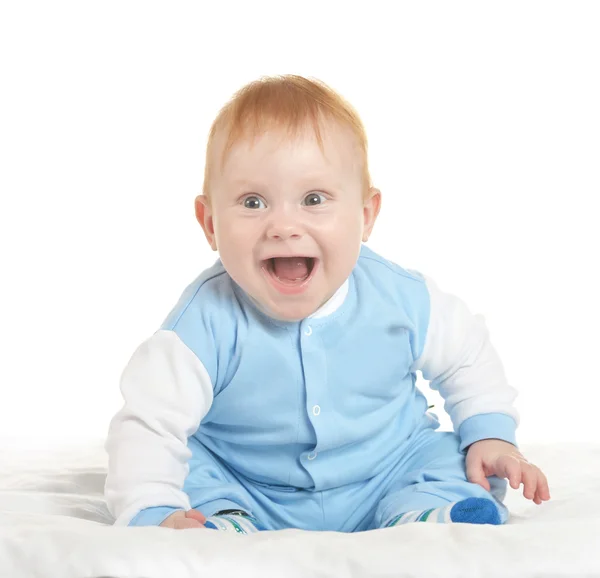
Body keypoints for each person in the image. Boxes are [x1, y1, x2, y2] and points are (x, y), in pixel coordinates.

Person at [104, 74, 550, 534]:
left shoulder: (401, 298)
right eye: (253, 202)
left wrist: (491, 434)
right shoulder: (202, 324)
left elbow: (467, 356)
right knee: (192, 468)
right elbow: (149, 424)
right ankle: (222, 523)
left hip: (387, 469)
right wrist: (152, 506)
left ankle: (426, 512)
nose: (283, 225)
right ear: (210, 222)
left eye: (313, 199)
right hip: (249, 485)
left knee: (449, 457)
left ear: (364, 216)